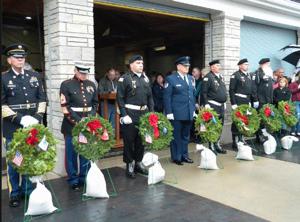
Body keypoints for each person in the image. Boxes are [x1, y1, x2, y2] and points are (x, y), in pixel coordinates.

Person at [2, 44, 46, 207]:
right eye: (16, 56)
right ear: (9, 60)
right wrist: (20, 119)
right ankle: (15, 193)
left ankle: (28, 189)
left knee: (30, 158)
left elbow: (42, 99)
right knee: (15, 161)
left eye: (22, 56)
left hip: (32, 125)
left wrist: (37, 117)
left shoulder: (34, 76)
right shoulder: (3, 78)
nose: (20, 59)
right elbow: (2, 105)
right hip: (12, 127)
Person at [59, 62, 98, 190]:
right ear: (75, 71)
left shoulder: (91, 85)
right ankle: (73, 179)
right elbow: (65, 107)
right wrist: (78, 121)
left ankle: (83, 177)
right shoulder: (66, 85)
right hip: (71, 125)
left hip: (87, 124)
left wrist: (90, 118)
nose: (84, 75)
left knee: (85, 152)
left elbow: (95, 103)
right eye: (81, 72)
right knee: (71, 154)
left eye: (85, 73)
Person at [117, 55, 154, 178]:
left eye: (142, 63)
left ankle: (138, 162)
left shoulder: (145, 78)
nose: (141, 65)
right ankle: (130, 164)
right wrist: (124, 114)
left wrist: (151, 113)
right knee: (129, 141)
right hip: (131, 114)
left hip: (143, 113)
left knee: (141, 141)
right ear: (131, 65)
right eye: (138, 63)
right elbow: (120, 98)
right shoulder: (125, 79)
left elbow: (150, 97)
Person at [164, 56, 196, 165]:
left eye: (188, 66)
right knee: (176, 136)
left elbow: (192, 95)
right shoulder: (171, 79)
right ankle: (176, 157)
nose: (187, 67)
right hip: (176, 113)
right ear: (178, 66)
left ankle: (184, 155)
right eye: (185, 65)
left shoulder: (191, 78)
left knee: (186, 136)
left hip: (188, 112)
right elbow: (167, 97)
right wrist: (169, 112)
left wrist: (193, 110)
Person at [229, 58, 258, 149]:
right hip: (239, 100)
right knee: (237, 120)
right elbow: (231, 90)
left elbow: (252, 89)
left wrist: (255, 100)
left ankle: (242, 138)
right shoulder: (235, 75)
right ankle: (235, 140)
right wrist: (233, 103)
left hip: (247, 100)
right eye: (245, 64)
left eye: (247, 64)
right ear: (240, 65)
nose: (247, 66)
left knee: (245, 120)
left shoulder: (249, 75)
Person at [201, 59, 227, 154]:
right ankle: (211, 145)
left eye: (219, 65)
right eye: (217, 65)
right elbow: (204, 92)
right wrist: (206, 104)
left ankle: (217, 144)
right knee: (212, 125)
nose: (219, 67)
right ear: (212, 67)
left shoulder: (220, 77)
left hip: (220, 106)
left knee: (219, 126)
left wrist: (224, 103)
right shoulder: (208, 77)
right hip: (212, 105)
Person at [254, 58, 274, 143]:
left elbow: (270, 87)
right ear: (263, 64)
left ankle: (265, 134)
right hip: (261, 99)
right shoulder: (258, 73)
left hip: (268, 99)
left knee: (266, 117)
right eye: (267, 64)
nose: (269, 65)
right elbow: (254, 87)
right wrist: (256, 99)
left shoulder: (269, 72)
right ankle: (259, 135)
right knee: (260, 118)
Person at [289, 71, 300, 136]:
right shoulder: (293, 84)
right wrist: (298, 89)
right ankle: (293, 130)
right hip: (296, 101)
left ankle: (298, 130)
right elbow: (291, 91)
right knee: (297, 116)